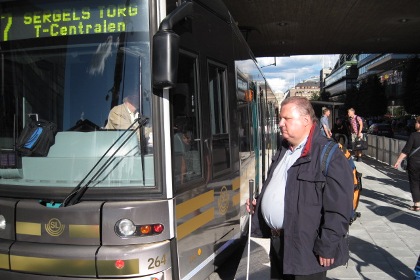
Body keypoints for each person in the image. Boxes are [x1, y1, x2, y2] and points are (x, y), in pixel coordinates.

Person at [246, 96, 354, 280]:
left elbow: (340, 208)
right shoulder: (284, 149)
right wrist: (262, 203)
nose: (280, 124)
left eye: (286, 119)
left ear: (305, 120)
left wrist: (327, 246)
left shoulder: (329, 154)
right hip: (280, 243)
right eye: (280, 119)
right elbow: (284, 187)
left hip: (307, 250)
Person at [393, 116, 420, 211]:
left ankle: (417, 204)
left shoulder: (414, 135)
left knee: (415, 183)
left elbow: (406, 150)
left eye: (416, 122)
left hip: (414, 163)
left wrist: (398, 161)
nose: (415, 124)